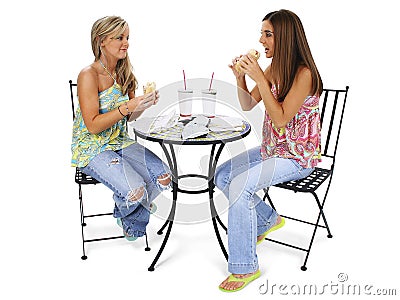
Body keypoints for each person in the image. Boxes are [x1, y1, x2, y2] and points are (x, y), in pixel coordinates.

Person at [215, 9, 323, 292]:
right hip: (273, 150)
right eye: (261, 33)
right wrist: (240, 78)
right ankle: (268, 219)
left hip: (298, 158)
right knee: (223, 175)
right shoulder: (275, 68)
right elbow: (248, 105)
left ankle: (244, 267)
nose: (261, 40)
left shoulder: (304, 74)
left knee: (240, 185)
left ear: (284, 37)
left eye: (267, 34)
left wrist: (260, 77)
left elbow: (280, 118)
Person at [71, 16, 171, 241]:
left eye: (127, 37)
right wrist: (127, 107)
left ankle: (125, 214)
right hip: (92, 147)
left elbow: (131, 117)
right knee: (136, 191)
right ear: (101, 41)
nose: (126, 43)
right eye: (119, 38)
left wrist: (143, 104)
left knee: (164, 177)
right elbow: (93, 126)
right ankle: (133, 219)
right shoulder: (88, 75)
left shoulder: (126, 73)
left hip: (120, 141)